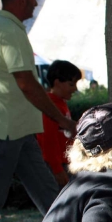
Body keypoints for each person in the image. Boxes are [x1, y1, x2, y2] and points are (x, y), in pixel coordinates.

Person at [0, 0, 76, 222]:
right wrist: (60, 118)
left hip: (18, 128)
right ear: (22, 0)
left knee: (49, 194)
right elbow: (27, 83)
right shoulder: (8, 32)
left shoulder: (0, 29)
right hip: (5, 130)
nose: (37, 3)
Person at [36, 60, 81, 188]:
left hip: (64, 162)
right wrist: (57, 169)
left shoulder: (60, 103)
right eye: (71, 84)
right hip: (57, 165)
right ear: (57, 83)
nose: (75, 89)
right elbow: (48, 139)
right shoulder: (51, 106)